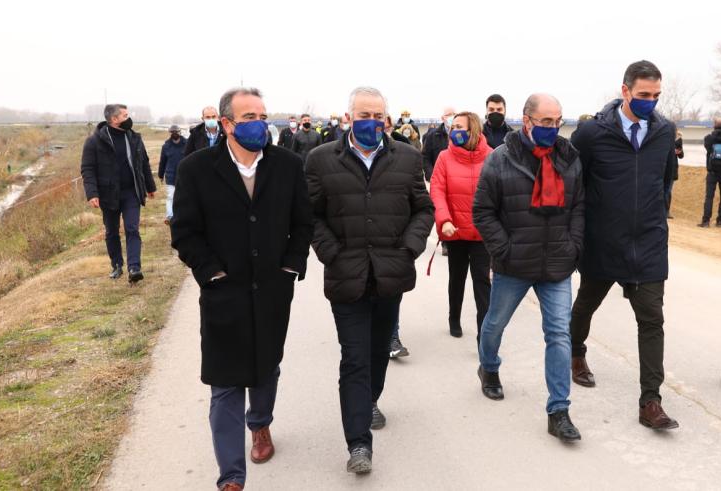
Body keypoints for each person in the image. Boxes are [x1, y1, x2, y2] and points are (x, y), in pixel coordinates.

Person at [171, 87, 313, 491]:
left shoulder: (287, 165)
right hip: (223, 291)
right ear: (227, 123)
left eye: (263, 115)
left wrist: (290, 266)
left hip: (272, 288)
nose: (260, 123)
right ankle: (231, 477)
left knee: (266, 367)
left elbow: (303, 222)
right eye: (249, 116)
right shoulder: (197, 169)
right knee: (226, 381)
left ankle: (261, 424)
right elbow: (185, 231)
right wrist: (211, 272)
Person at [305, 86, 433, 473]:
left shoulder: (408, 158)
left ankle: (369, 400)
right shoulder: (320, 159)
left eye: (378, 116)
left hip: (390, 275)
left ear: (387, 119)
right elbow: (310, 215)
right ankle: (359, 443)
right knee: (355, 358)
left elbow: (423, 209)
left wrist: (409, 248)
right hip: (347, 277)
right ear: (348, 118)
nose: (372, 122)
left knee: (378, 353)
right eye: (364, 115)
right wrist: (332, 252)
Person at [568, 60, 681, 431]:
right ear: (625, 91)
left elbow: (665, 181)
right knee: (585, 305)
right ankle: (576, 352)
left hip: (648, 244)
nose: (650, 101)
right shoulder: (590, 133)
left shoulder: (664, 132)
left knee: (652, 320)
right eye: (643, 94)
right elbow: (574, 186)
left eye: (656, 95)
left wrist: (653, 221)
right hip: (604, 242)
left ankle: (651, 401)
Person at [473, 93, 585, 444]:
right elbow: (483, 211)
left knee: (559, 334)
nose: (553, 128)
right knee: (494, 323)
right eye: (546, 122)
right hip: (513, 263)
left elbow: (579, 206)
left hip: (556, 263)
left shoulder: (570, 159)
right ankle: (488, 367)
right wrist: (503, 248)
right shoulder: (500, 160)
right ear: (527, 122)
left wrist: (574, 246)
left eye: (558, 121)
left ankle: (559, 410)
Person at [430, 111, 493, 340]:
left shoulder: (492, 157)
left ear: (473, 130)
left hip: (482, 235)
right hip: (454, 231)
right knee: (457, 279)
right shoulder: (444, 158)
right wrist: (444, 220)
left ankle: (484, 335)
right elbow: (437, 191)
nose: (454, 130)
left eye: (459, 127)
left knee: (482, 283)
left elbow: (499, 195)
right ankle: (453, 317)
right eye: (453, 126)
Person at [80, 103, 156, 283]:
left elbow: (143, 163)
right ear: (114, 119)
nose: (128, 119)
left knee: (132, 228)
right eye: (125, 116)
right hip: (108, 195)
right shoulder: (94, 141)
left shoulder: (135, 138)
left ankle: (134, 267)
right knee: (112, 232)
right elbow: (87, 169)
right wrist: (92, 193)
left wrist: (150, 187)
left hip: (131, 192)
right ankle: (117, 265)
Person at [157, 124, 186, 225]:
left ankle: (183, 216)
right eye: (172, 132)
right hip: (170, 176)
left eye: (176, 132)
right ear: (170, 133)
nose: (175, 133)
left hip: (185, 176)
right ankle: (170, 217)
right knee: (171, 197)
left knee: (184, 197)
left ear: (180, 132)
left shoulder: (187, 144)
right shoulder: (166, 146)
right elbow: (162, 161)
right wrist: (160, 175)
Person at [420, 106, 455, 181]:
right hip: (438, 179)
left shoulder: (462, 135)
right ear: (443, 118)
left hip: (457, 178)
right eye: (448, 115)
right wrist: (431, 175)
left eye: (454, 114)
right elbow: (425, 157)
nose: (452, 117)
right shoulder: (432, 136)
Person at [666, 129, 684, 219]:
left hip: (673, 168)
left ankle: (666, 211)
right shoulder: (663, 138)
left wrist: (679, 152)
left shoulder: (678, 141)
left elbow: (681, 156)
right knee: (661, 190)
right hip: (663, 167)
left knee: (668, 191)